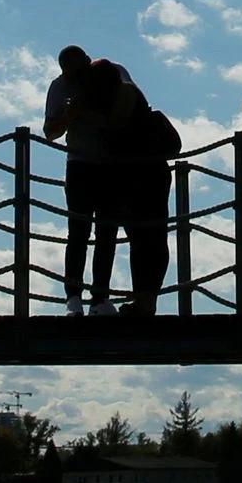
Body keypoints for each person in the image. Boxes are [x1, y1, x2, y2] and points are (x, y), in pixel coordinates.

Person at [79, 59, 181, 313]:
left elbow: (116, 127)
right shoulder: (120, 92)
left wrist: (85, 114)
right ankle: (144, 300)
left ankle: (146, 300)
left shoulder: (124, 92)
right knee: (144, 238)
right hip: (140, 172)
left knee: (149, 238)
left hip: (142, 172)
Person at [43, 46, 105, 310]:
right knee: (79, 232)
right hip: (80, 163)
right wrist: (69, 117)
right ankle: (74, 295)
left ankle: (100, 297)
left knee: (106, 231)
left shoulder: (109, 77)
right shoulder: (59, 88)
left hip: (110, 164)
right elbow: (50, 132)